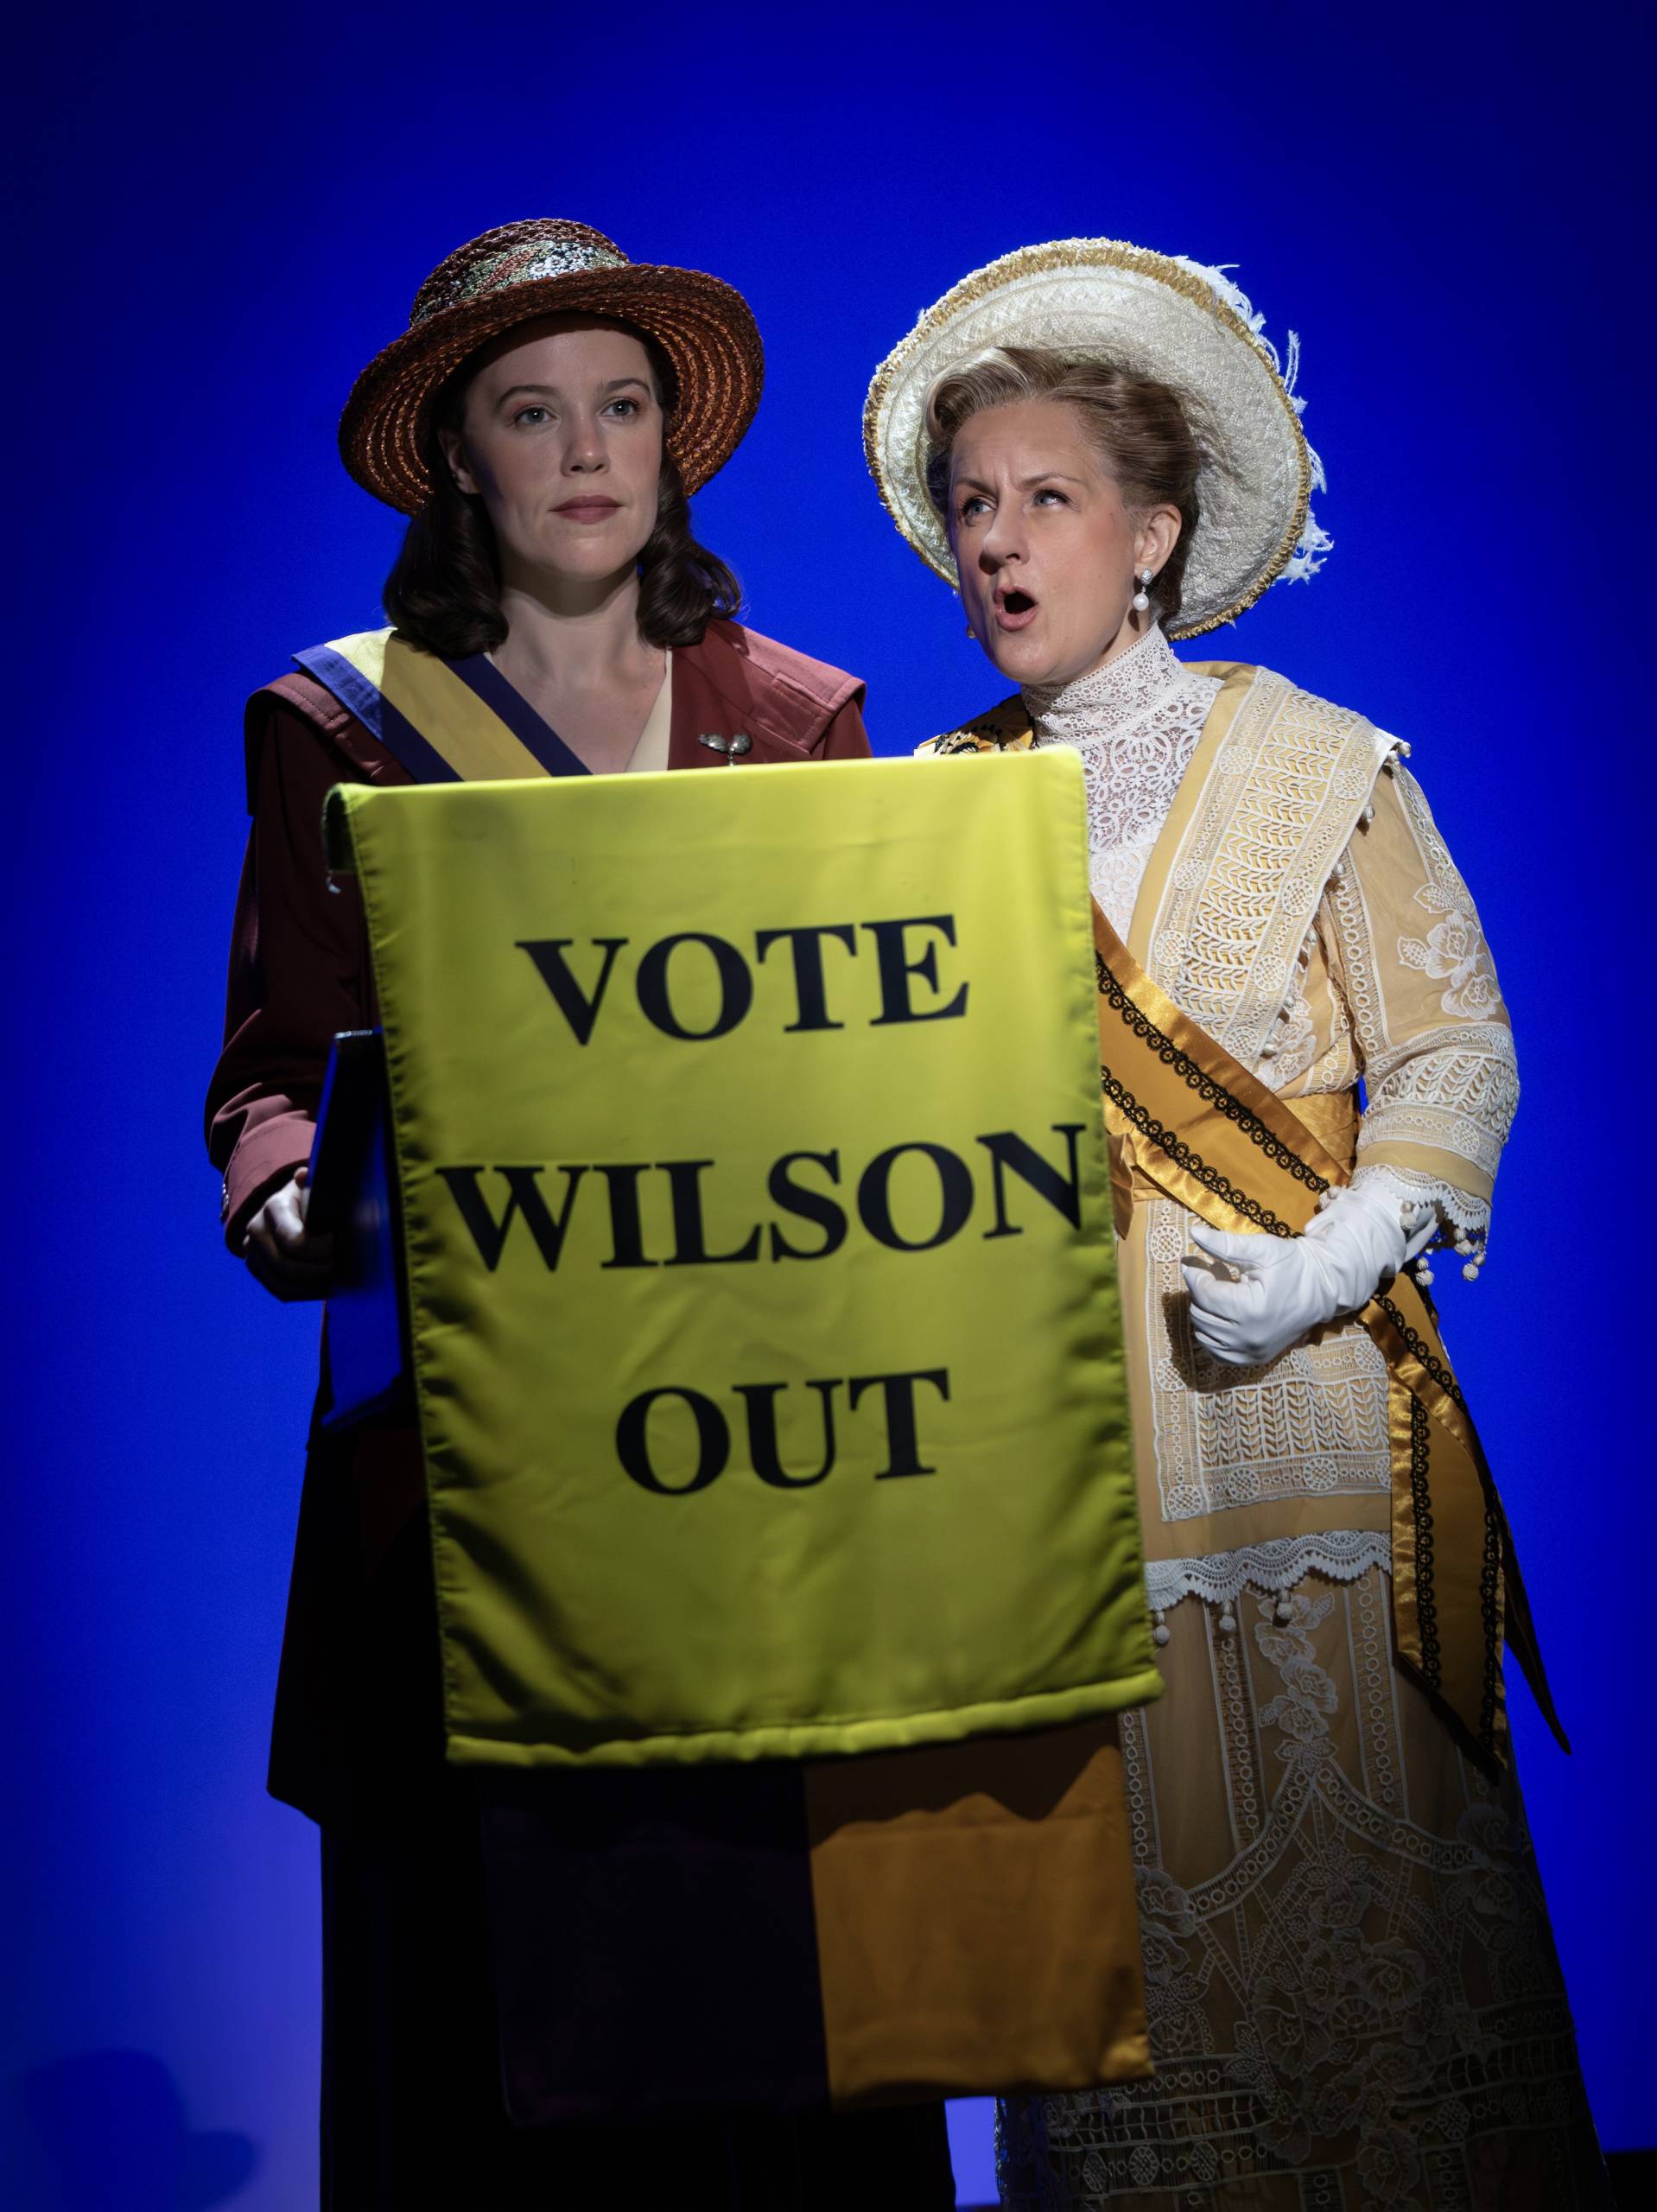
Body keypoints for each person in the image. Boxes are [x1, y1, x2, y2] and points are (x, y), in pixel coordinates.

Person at [207, 218, 952, 2210]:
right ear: (456, 454)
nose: (587, 448)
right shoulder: (338, 727)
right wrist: (285, 1196)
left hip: (749, 1473)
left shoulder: (796, 718)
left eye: (620, 405)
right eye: (531, 413)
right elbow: (270, 1072)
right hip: (462, 1478)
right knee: (484, 2048)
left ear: (670, 442)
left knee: (765, 2028)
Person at [864, 239, 1608, 2209]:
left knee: (1384, 1974)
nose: (997, 541)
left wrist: (1335, 1256)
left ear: (1152, 535)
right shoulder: (925, 812)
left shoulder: (1315, 763)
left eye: (1047, 497)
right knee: (1136, 1990)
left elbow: (1450, 1049)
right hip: (1068, 1479)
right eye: (972, 503)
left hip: (1314, 1446)